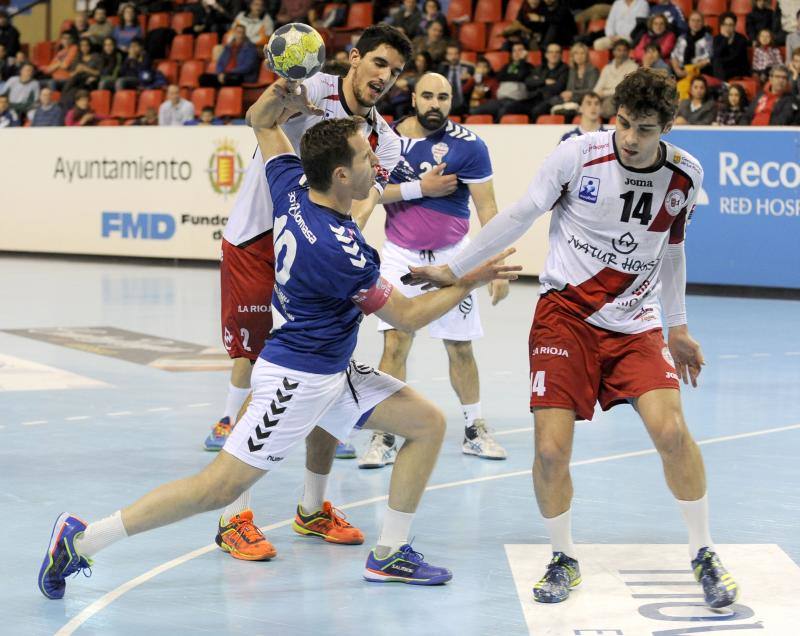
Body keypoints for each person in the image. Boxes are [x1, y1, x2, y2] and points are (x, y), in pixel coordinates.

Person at [37, 82, 520, 600]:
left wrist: (282, 90)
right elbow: (405, 317)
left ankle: (389, 554)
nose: (376, 165)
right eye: (364, 158)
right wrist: (467, 277)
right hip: (296, 379)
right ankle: (82, 541)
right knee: (217, 487)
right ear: (340, 175)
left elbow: (261, 122)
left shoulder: (291, 183)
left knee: (426, 424)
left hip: (332, 371)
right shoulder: (340, 251)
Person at [403, 67, 740, 610]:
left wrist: (676, 324)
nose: (631, 139)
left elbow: (673, 250)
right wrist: (456, 269)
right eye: (625, 123)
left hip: (636, 322)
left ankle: (703, 551)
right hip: (566, 316)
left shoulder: (685, 175)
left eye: (646, 130)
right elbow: (519, 214)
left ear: (668, 129)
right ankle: (562, 556)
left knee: (673, 432)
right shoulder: (578, 154)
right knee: (551, 450)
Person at [206, 25, 450, 558]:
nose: (385, 78)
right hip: (256, 240)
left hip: (315, 254)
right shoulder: (308, 87)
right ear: (355, 59)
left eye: (395, 71)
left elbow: (362, 198)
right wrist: (277, 93)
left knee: (325, 370)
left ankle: (312, 507)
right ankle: (232, 515)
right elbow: (259, 120)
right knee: (261, 369)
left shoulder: (381, 137)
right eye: (379, 63)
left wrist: (340, 243)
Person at [357, 73, 510, 469]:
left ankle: (474, 428)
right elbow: (368, 194)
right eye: (427, 95)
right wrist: (420, 189)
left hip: (453, 258)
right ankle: (386, 433)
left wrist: (492, 264)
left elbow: (488, 209)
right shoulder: (387, 141)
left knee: (460, 346)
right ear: (413, 97)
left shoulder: (470, 146)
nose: (435, 104)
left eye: (443, 97)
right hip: (399, 256)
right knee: (395, 345)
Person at [505, 42, 570, 121]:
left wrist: (537, 83)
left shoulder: (565, 69)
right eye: (551, 52)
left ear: (561, 55)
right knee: (510, 108)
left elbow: (558, 87)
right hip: (533, 98)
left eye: (557, 52)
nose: (554, 55)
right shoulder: (540, 67)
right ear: (546, 55)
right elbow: (528, 82)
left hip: (549, 100)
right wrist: (544, 81)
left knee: (536, 111)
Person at [470, 42, 535, 120]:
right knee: (475, 111)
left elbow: (520, 76)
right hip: (500, 100)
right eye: (514, 51)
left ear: (525, 53)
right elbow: (499, 77)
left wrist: (521, 61)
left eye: (520, 50)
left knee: (503, 112)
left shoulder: (528, 67)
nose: (517, 53)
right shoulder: (507, 66)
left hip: (517, 101)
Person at [549, 42, 600, 119]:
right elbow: (570, 88)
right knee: (552, 100)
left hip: (585, 98)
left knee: (569, 110)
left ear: (586, 56)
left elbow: (591, 90)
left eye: (582, 53)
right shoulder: (572, 70)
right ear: (573, 56)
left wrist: (572, 93)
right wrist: (568, 95)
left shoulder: (593, 70)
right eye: (576, 53)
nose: (579, 56)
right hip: (573, 98)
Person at [594, 38, 638, 118]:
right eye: (619, 50)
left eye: (624, 50)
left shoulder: (633, 67)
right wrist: (595, 95)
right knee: (590, 99)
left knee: (611, 101)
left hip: (619, 98)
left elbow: (623, 89)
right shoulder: (607, 67)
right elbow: (598, 88)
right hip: (603, 97)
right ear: (613, 51)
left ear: (628, 52)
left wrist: (604, 94)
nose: (622, 53)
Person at [670, 11, 713, 90]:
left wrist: (689, 71)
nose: (695, 23)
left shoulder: (708, 39)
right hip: (680, 71)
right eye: (692, 20)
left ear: (703, 23)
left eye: (698, 21)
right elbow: (674, 56)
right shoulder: (682, 37)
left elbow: (708, 59)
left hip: (698, 72)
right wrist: (677, 70)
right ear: (688, 22)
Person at [711, 13, 750, 81]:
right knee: (716, 64)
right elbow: (716, 54)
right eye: (725, 25)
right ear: (722, 26)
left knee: (717, 63)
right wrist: (725, 39)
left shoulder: (741, 39)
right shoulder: (717, 38)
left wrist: (720, 60)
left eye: (730, 25)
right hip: (723, 68)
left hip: (738, 68)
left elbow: (734, 57)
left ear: (734, 26)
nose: (728, 28)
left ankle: (721, 86)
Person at [438, 43, 474, 116]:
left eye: (456, 54)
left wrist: (470, 79)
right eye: (450, 54)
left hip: (464, 105)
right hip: (445, 105)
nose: (453, 57)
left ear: (460, 55)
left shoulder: (468, 69)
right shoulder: (442, 69)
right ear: (446, 56)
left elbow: (482, 71)